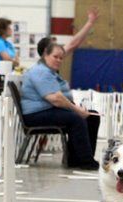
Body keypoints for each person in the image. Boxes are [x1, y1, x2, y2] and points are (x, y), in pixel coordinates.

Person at [21, 42, 99, 170]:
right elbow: (56, 99)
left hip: (46, 110)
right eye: (55, 57)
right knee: (76, 119)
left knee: (92, 116)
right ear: (45, 55)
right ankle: (86, 162)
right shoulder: (41, 72)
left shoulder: (49, 72)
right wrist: (76, 110)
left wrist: (76, 108)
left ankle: (76, 159)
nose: (59, 60)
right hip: (34, 115)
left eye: (61, 58)